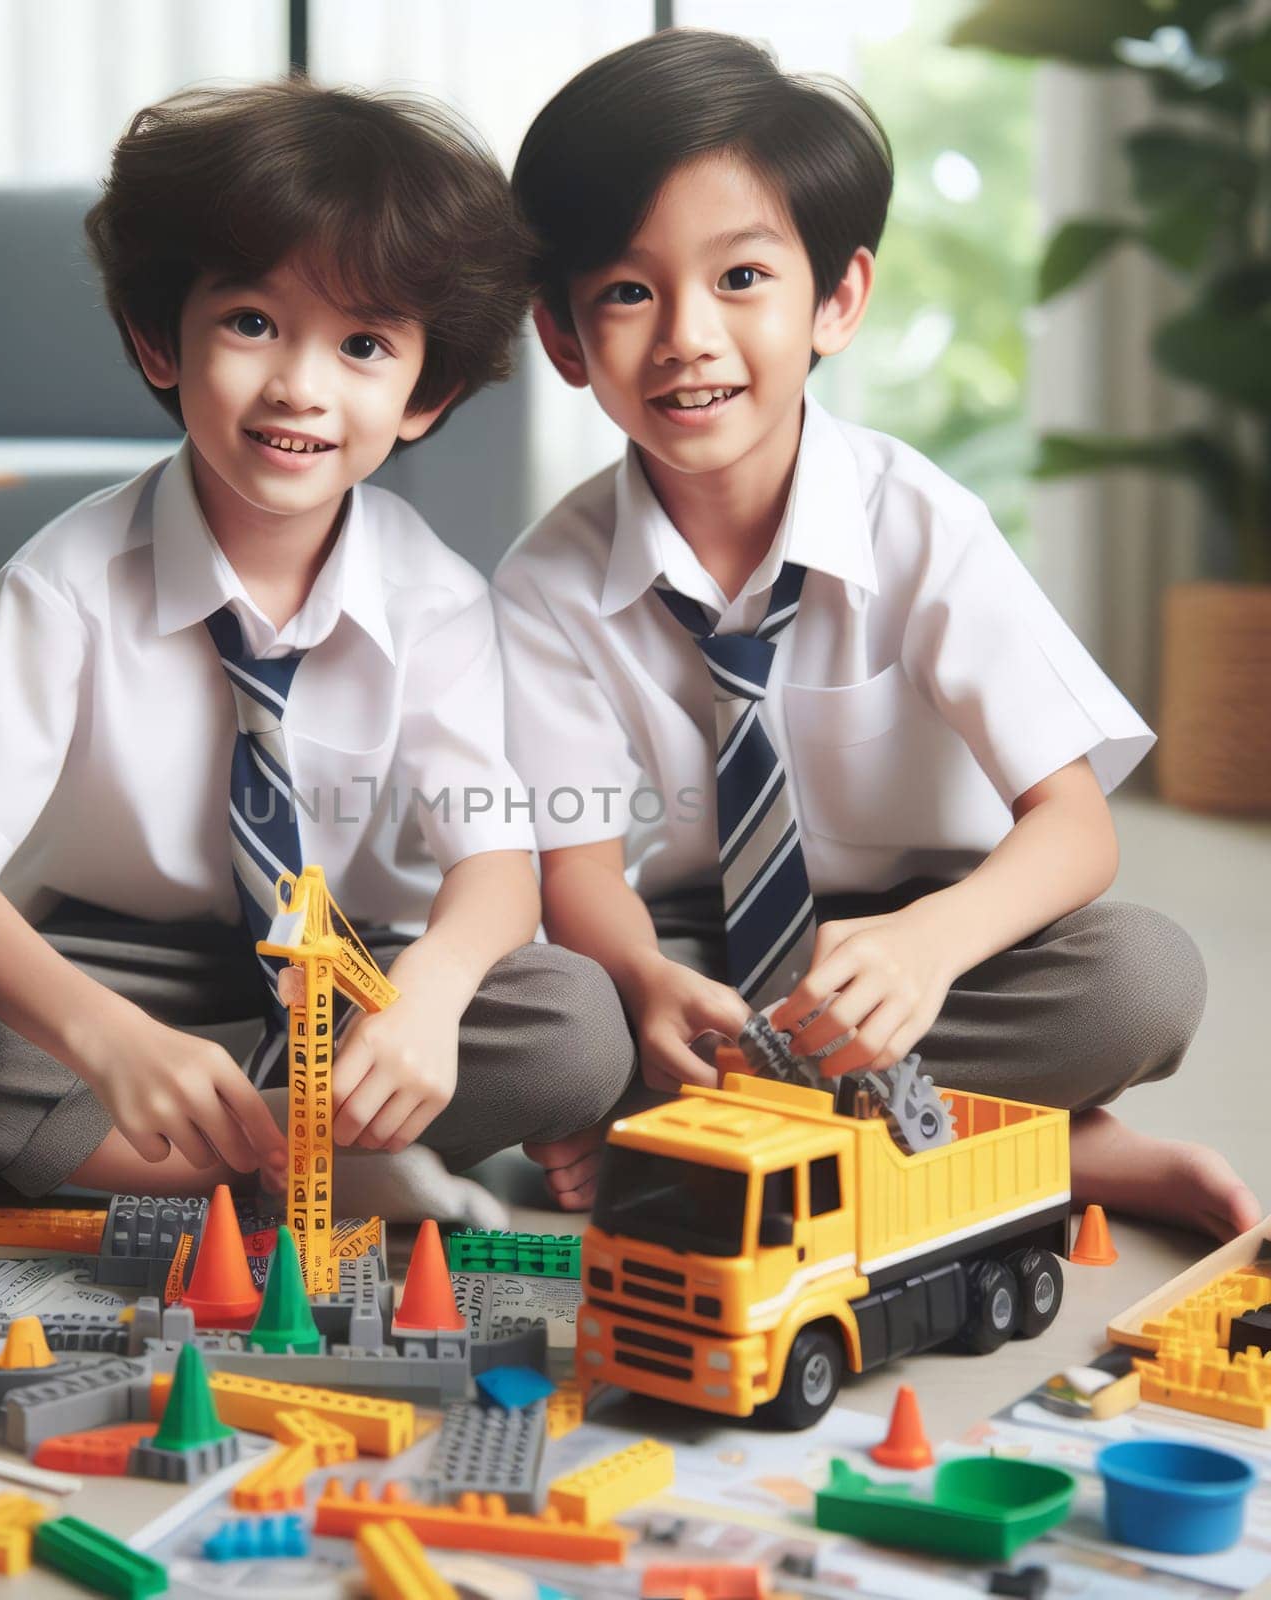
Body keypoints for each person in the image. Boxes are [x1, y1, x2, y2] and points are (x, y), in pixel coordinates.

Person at [0, 79, 634, 1205]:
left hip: (339, 971)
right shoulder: (63, 585)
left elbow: (495, 867)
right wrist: (105, 1037)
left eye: (364, 343)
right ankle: (295, 1163)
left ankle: (71, 1150)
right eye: (253, 322)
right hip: (98, 970)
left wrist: (431, 990)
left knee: (570, 1028)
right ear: (158, 337)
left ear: (428, 394)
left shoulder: (437, 600)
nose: (299, 387)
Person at [494, 30, 1259, 1240]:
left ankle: (709, 1123)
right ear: (564, 337)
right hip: (701, 959)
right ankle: (1025, 1143)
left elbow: (1073, 826)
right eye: (629, 292)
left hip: (926, 941)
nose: (687, 333)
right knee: (563, 1025)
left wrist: (929, 945)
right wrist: (644, 987)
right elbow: (580, 873)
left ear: (835, 300)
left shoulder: (922, 523)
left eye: (741, 278)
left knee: (1139, 980)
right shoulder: (545, 584)